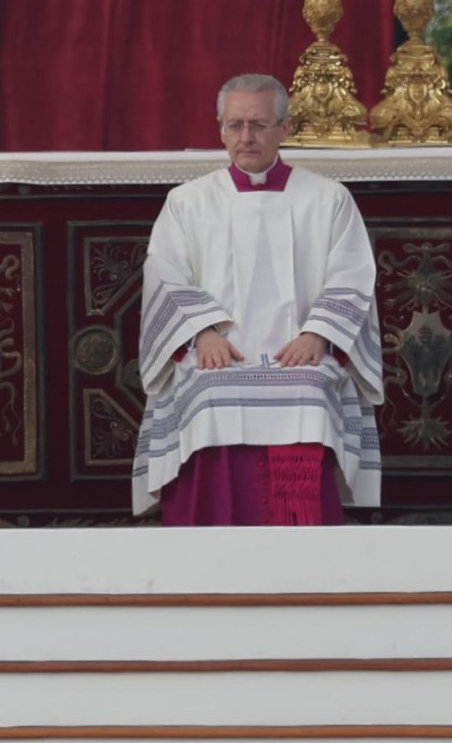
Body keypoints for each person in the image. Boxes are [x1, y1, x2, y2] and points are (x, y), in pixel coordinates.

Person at [131, 73, 383, 525]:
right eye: (235, 125)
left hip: (299, 354)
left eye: (259, 125)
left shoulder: (328, 200)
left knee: (310, 391)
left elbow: (353, 274)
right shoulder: (188, 202)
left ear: (284, 128)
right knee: (207, 395)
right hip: (216, 354)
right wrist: (203, 333)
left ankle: (299, 538)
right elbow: (165, 272)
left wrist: (319, 335)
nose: (245, 137)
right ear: (220, 127)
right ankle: (208, 536)